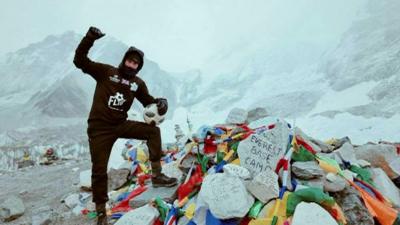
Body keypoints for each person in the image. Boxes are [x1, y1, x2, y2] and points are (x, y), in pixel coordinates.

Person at [73, 26, 177, 225]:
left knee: (152, 131)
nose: (132, 64)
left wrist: (160, 102)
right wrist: (89, 38)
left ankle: (157, 175)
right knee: (99, 170)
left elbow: (148, 102)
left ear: (139, 67)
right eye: (130, 60)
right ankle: (102, 213)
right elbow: (80, 61)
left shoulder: (137, 83)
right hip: (99, 129)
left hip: (120, 124)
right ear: (124, 60)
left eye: (136, 63)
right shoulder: (106, 72)